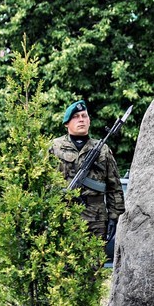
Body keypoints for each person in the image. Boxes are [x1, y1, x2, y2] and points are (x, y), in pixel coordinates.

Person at [49, 100, 126, 241]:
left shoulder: (102, 149)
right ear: (66, 123)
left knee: (95, 262)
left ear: (89, 121)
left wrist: (114, 217)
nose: (81, 120)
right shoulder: (54, 148)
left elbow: (114, 186)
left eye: (84, 116)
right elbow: (43, 183)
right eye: (76, 117)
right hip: (63, 216)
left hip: (96, 219)